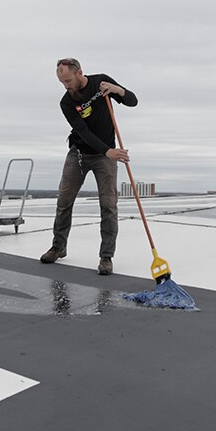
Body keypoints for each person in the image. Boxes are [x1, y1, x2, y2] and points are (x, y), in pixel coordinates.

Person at [41, 58, 137, 275]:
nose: (66, 86)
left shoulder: (101, 82)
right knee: (64, 201)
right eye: (62, 82)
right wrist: (108, 151)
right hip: (80, 154)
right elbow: (84, 132)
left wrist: (117, 90)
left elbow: (133, 101)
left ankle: (106, 257)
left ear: (79, 73)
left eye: (67, 80)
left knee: (108, 205)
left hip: (106, 157)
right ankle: (58, 246)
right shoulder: (66, 103)